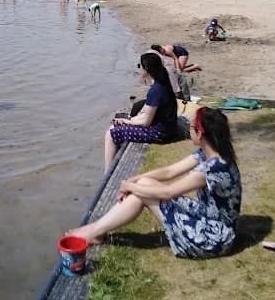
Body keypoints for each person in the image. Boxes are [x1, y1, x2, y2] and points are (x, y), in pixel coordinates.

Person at [67, 107, 242, 259]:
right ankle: (96, 231)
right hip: (207, 218)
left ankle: (94, 232)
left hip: (213, 238)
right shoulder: (213, 152)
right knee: (144, 183)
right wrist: (133, 180)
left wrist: (130, 187)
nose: (189, 130)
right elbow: (170, 172)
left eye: (191, 127)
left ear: (201, 134)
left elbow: (168, 193)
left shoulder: (214, 168)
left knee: (142, 194)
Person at [104, 52, 179, 173]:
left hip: (160, 134)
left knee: (111, 133)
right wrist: (130, 120)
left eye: (140, 66)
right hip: (167, 128)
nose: (139, 69)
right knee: (119, 124)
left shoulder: (156, 90)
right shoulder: (162, 82)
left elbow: (146, 122)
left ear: (146, 70)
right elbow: (146, 111)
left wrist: (127, 121)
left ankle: (107, 174)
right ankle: (112, 166)